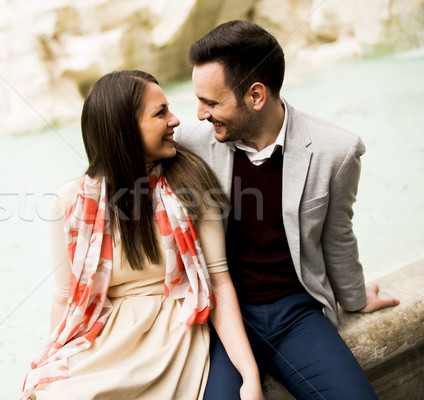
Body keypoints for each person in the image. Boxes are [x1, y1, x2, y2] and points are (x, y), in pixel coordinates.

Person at [176, 20, 400, 399]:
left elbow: (337, 234)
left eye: (211, 102)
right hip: (223, 317)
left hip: (297, 313)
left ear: (256, 96)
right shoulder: (189, 143)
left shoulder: (336, 150)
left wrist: (355, 297)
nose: (198, 113)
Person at [21, 70, 264, 400]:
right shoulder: (70, 203)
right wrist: (57, 358)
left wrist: (249, 375)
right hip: (103, 336)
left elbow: (219, 283)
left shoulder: (190, 186)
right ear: (124, 130)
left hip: (173, 335)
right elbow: (65, 300)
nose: (175, 120)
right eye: (160, 112)